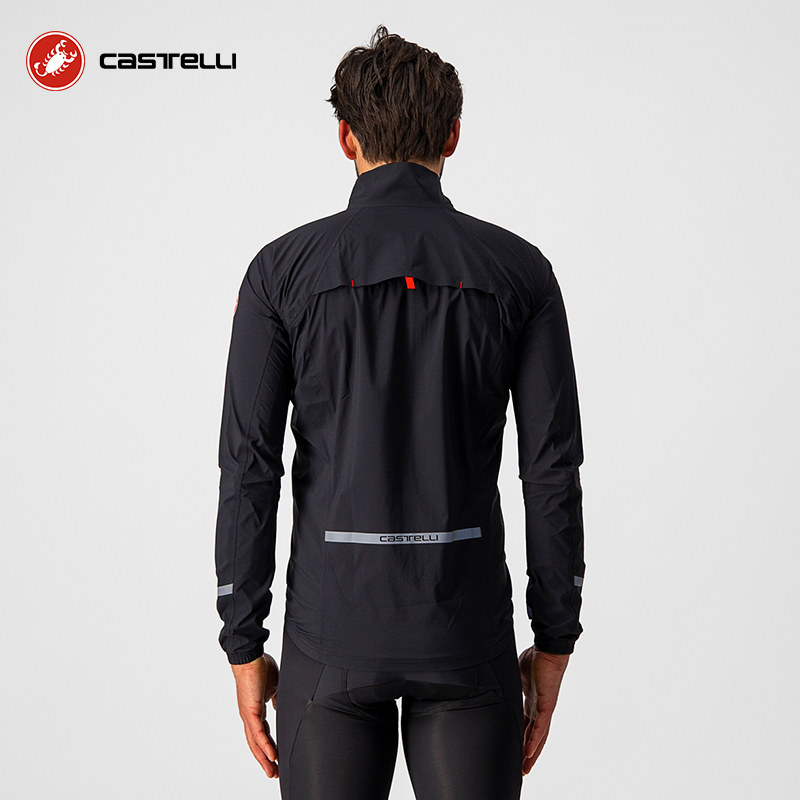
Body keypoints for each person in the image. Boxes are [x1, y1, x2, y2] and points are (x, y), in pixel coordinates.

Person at [213, 24, 586, 800]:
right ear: (453, 135)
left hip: (328, 639)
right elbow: (551, 470)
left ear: (345, 136)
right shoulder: (521, 273)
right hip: (465, 635)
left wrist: (243, 643)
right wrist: (554, 639)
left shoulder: (280, 273)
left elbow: (249, 467)